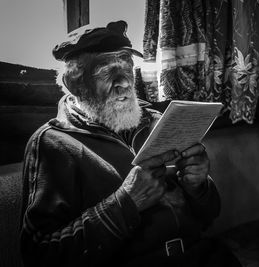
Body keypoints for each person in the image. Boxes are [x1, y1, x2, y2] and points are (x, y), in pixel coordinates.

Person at [20, 20, 241, 267]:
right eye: (106, 71)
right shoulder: (53, 143)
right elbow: (39, 256)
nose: (124, 82)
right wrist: (126, 202)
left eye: (126, 68)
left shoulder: (156, 121)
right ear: (76, 84)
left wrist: (198, 185)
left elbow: (210, 214)